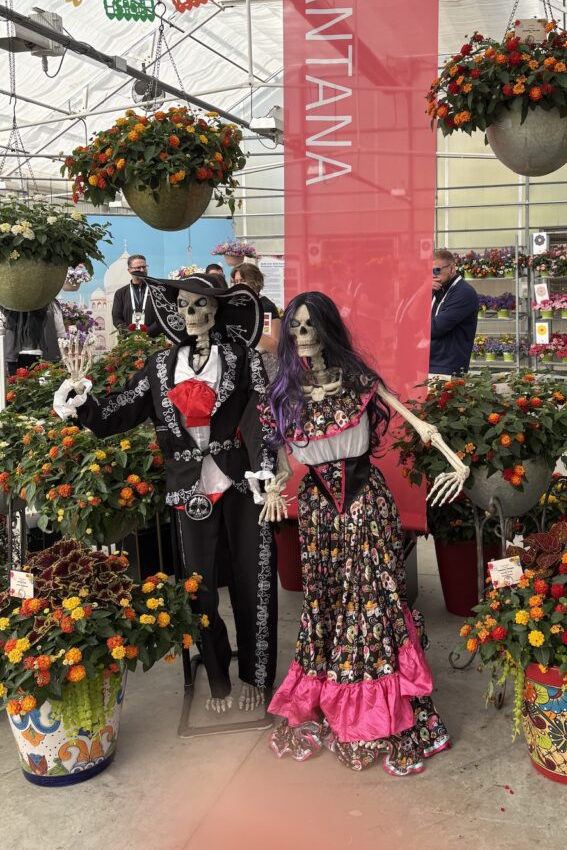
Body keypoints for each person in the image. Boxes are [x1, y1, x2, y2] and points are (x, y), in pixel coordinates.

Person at [258, 292, 469, 775]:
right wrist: (274, 487)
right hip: (316, 513)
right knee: (328, 600)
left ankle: (379, 711)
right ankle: (334, 697)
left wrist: (458, 465)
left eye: (310, 326)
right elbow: (290, 462)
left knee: (372, 599)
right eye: (294, 327)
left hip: (366, 505)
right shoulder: (285, 397)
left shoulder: (359, 384)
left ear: (328, 329)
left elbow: (423, 427)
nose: (302, 336)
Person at [54, 273, 279, 715]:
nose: (190, 314)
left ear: (215, 309)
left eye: (199, 305)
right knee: (200, 591)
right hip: (188, 490)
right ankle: (216, 675)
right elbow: (120, 411)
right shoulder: (159, 366)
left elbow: (263, 418)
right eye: (183, 306)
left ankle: (256, 673)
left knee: (255, 582)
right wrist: (82, 397)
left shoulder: (243, 358)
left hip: (240, 483)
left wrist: (266, 471)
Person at [429, 248, 479, 375]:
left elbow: (435, 328)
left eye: (436, 270)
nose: (432, 275)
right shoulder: (434, 289)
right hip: (427, 362)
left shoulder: (463, 292)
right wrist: (421, 292)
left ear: (452, 268)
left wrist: (414, 329)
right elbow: (408, 317)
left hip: (447, 367)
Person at [231, 262, 281, 371]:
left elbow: (274, 346)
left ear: (255, 281)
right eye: (236, 282)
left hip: (263, 366)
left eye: (243, 280)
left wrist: (249, 328)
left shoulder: (266, 306)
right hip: (241, 364)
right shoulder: (235, 304)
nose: (238, 285)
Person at [3, 301, 65, 374]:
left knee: (19, 383)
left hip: (16, 355)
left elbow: (2, 330)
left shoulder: (9, 302)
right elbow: (60, 332)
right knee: (49, 384)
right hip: (47, 354)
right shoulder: (52, 303)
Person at [112, 253, 161, 336]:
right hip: (129, 343)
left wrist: (147, 334)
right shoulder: (120, 293)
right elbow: (117, 319)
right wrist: (131, 335)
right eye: (138, 267)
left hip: (155, 340)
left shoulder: (157, 290)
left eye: (144, 267)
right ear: (129, 270)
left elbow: (162, 316)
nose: (142, 270)